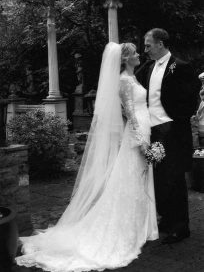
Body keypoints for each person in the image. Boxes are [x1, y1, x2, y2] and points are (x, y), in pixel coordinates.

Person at [16, 42, 158, 272]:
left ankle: (142, 224)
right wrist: (141, 140)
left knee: (138, 177)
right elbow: (130, 113)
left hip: (144, 128)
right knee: (130, 179)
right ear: (126, 59)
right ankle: (126, 227)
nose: (139, 54)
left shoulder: (133, 77)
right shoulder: (123, 80)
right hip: (137, 132)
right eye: (134, 53)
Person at [136, 28, 200, 244]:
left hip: (171, 130)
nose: (145, 49)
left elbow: (191, 99)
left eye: (148, 45)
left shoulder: (180, 67)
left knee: (174, 179)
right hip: (151, 131)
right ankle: (166, 218)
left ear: (161, 43)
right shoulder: (147, 67)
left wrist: (175, 121)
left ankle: (180, 227)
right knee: (159, 178)